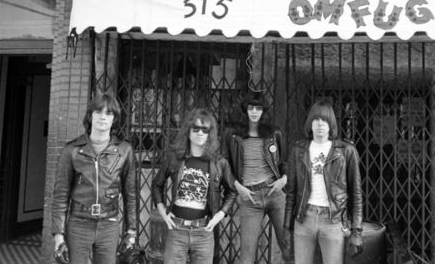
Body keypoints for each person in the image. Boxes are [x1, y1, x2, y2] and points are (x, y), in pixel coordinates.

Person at [52, 93, 137, 264]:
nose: (103, 117)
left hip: (109, 224)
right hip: (78, 223)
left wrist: (132, 232)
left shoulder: (124, 150)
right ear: (90, 116)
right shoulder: (72, 150)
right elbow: (61, 194)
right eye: (98, 112)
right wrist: (58, 235)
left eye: (109, 113)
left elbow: (131, 195)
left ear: (115, 119)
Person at [151, 108, 237, 264]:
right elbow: (157, 185)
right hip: (177, 229)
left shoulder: (219, 163)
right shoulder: (175, 158)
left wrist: (219, 216)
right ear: (188, 131)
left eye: (204, 130)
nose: (200, 133)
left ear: (210, 133)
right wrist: (163, 212)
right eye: (195, 128)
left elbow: (232, 191)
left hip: (204, 231)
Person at [283, 99, 363, 263]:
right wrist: (286, 227)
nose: (320, 124)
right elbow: (291, 192)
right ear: (310, 123)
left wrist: (356, 231)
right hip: (304, 219)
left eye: (325, 119)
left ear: (331, 123)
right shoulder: (298, 150)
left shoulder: (346, 151)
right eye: (316, 119)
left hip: (333, 221)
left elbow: (356, 194)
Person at [221, 91, 292, 263]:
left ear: (263, 111)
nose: (254, 111)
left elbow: (284, 161)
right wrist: (238, 187)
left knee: (289, 248)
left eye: (258, 108)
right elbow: (223, 163)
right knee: (247, 256)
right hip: (249, 197)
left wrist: (284, 179)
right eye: (251, 107)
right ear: (245, 109)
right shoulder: (232, 134)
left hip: (274, 194)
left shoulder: (274, 133)